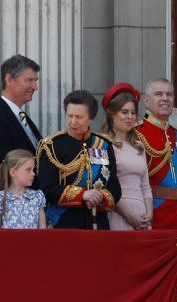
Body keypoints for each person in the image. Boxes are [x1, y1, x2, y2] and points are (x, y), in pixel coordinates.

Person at [37, 90, 121, 229]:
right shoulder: (52, 146)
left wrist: (98, 197)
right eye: (69, 116)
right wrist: (82, 195)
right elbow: (46, 189)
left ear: (91, 118)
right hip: (65, 223)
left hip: (97, 223)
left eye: (79, 117)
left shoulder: (103, 145)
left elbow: (114, 189)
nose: (73, 122)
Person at [135, 78, 177, 230]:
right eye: (159, 94)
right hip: (152, 218)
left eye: (169, 94)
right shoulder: (135, 133)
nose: (165, 98)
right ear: (147, 101)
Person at [0, 54, 43, 194]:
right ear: (9, 79)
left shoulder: (21, 117)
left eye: (35, 81)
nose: (35, 87)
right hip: (12, 209)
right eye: (29, 80)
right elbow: (2, 171)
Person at [99, 82, 153, 230]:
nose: (130, 117)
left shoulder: (139, 146)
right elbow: (105, 187)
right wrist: (129, 216)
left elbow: (145, 186)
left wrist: (149, 213)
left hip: (142, 215)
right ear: (112, 114)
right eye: (124, 112)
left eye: (133, 112)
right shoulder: (103, 146)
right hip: (118, 214)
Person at [0, 149, 46, 229]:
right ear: (13, 172)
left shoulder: (37, 197)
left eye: (33, 170)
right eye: (28, 170)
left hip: (33, 241)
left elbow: (42, 228)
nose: (33, 174)